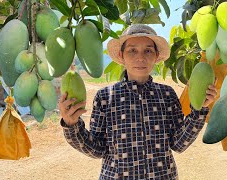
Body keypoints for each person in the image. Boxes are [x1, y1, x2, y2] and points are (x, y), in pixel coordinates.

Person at [59, 24, 217, 179]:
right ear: (122, 56)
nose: (140, 57)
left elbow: (178, 144)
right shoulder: (105, 97)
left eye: (148, 50)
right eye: (132, 50)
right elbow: (97, 149)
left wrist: (199, 111)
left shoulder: (167, 95)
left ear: (156, 57)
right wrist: (71, 126)